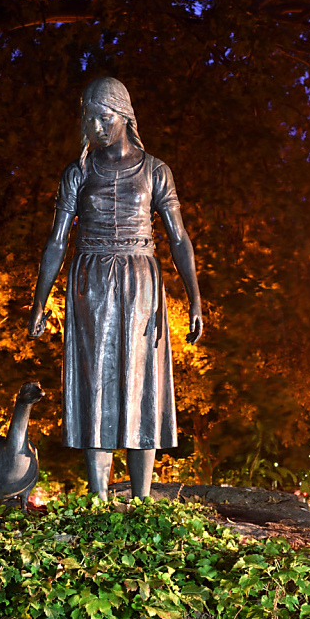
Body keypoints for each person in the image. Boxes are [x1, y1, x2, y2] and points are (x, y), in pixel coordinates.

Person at [28, 76, 203, 500]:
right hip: (90, 282)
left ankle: (142, 500)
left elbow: (178, 238)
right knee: (96, 382)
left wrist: (195, 299)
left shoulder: (156, 171)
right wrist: (38, 302)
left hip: (141, 281)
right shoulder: (78, 173)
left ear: (125, 116)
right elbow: (55, 241)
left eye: (104, 118)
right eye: (89, 119)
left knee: (142, 379)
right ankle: (99, 501)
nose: (96, 127)